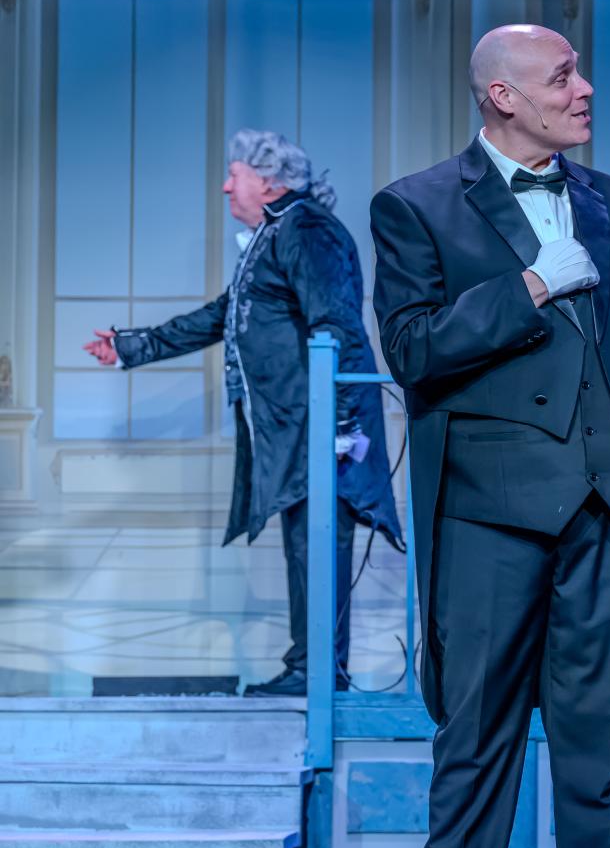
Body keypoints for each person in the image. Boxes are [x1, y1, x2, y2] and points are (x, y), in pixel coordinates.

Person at [369, 25, 610, 848]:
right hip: (489, 514)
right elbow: (413, 348)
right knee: (476, 736)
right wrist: (533, 284)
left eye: (579, 72)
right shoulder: (416, 205)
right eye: (562, 77)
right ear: (502, 95)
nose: (585, 90)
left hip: (606, 507)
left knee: (600, 740)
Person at [83, 129, 402, 697]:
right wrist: (132, 346)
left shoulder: (307, 229)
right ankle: (312, 668)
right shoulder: (278, 233)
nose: (226, 187)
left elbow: (337, 325)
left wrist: (342, 424)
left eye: (236, 175)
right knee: (305, 546)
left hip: (319, 425)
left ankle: (318, 673)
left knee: (317, 545)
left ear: (270, 182)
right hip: (296, 425)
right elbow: (220, 316)